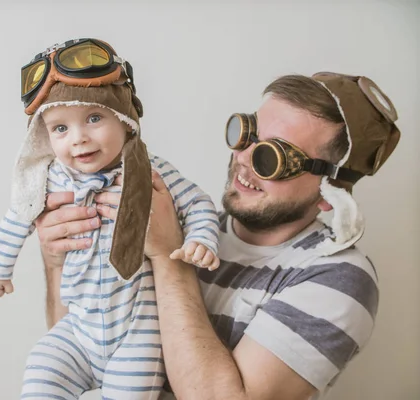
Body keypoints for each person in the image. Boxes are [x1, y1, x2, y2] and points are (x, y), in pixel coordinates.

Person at [35, 72, 401, 399]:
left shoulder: (337, 277)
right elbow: (88, 342)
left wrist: (168, 256)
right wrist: (57, 260)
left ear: (329, 193)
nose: (244, 159)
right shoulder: (193, 225)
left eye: (273, 157)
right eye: (247, 133)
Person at [0, 38, 221, 398]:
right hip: (78, 327)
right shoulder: (50, 178)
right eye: (60, 128)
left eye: (94, 119)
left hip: (138, 332)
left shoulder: (150, 171)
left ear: (125, 121)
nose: (78, 139)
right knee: (41, 369)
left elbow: (198, 203)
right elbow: (17, 217)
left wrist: (200, 239)